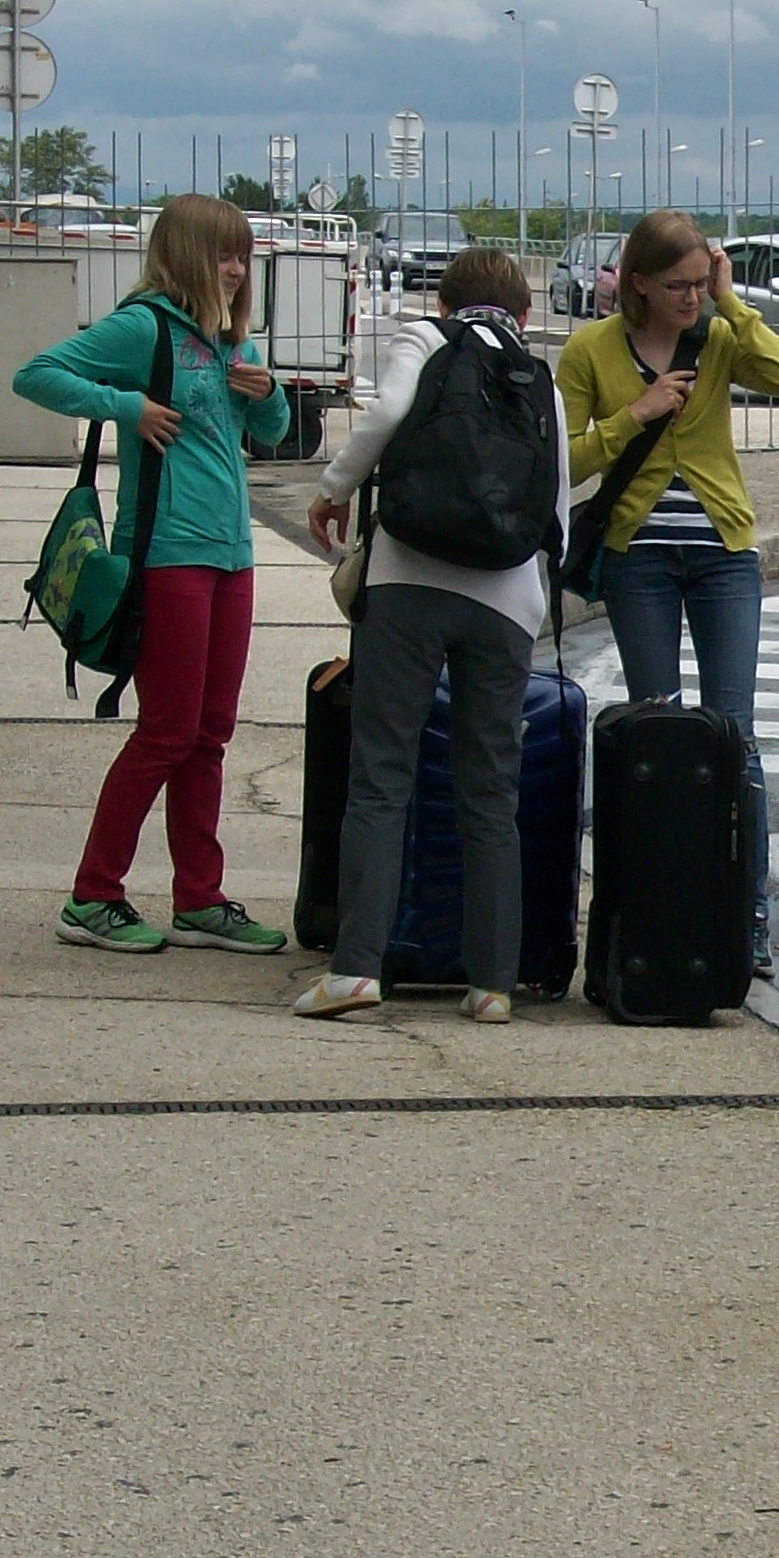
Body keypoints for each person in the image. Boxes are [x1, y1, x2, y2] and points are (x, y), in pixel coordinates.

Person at [294, 249, 570, 1025]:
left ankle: (355, 969)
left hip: (410, 578)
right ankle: (491, 984)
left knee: (382, 778)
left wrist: (331, 491)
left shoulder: (427, 339)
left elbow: (384, 417)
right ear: (519, 313)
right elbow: (556, 498)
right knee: (490, 792)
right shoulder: (536, 376)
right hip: (506, 598)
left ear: (447, 301)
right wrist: (533, 603)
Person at [13, 193, 291, 956]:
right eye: (222, 254)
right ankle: (93, 894)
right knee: (166, 732)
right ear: (186, 255)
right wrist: (125, 405)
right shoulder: (146, 326)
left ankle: (199, 898)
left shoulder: (236, 343)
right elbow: (36, 374)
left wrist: (270, 397)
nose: (236, 269)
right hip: (167, 555)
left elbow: (272, 435)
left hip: (232, 556)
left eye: (243, 254)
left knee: (210, 735)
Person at [558, 210, 779, 972]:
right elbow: (561, 461)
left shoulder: (723, 334)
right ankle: (656, 905)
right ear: (637, 283)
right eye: (679, 287)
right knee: (656, 732)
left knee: (737, 736)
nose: (692, 298)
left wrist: (736, 302)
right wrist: (632, 415)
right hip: (639, 559)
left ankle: (747, 917)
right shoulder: (590, 350)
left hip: (723, 553)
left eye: (702, 283)